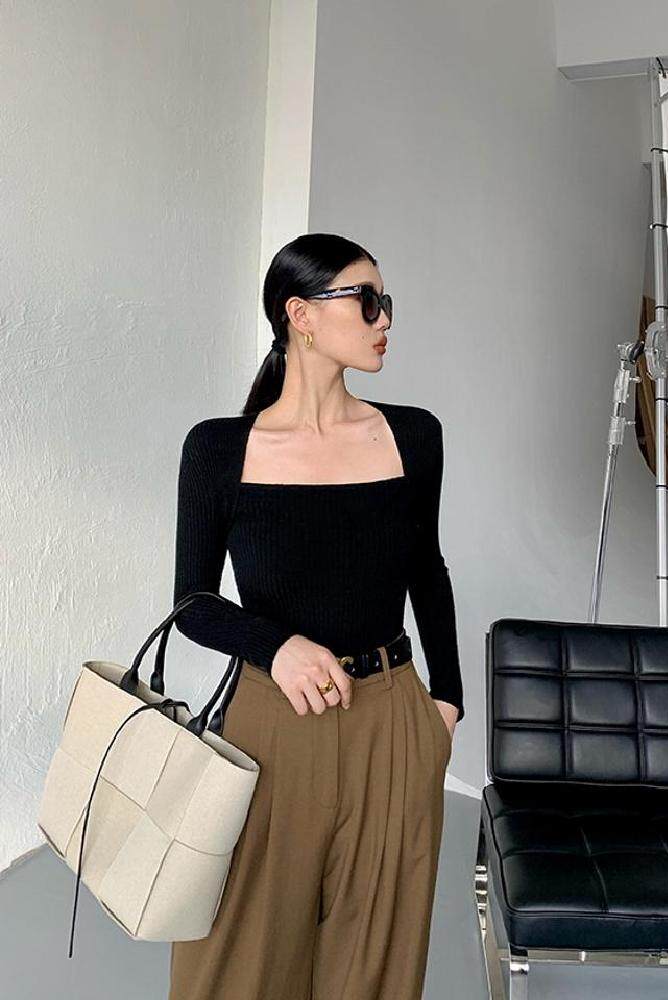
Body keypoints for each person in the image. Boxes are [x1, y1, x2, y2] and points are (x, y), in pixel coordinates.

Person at [168, 232, 464, 1000]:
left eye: (385, 302)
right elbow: (193, 602)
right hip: (271, 722)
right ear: (300, 315)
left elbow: (427, 572)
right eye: (366, 300)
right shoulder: (219, 449)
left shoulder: (413, 435)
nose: (383, 318)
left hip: (393, 721)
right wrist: (277, 646)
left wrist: (446, 704)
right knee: (237, 962)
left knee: (374, 968)